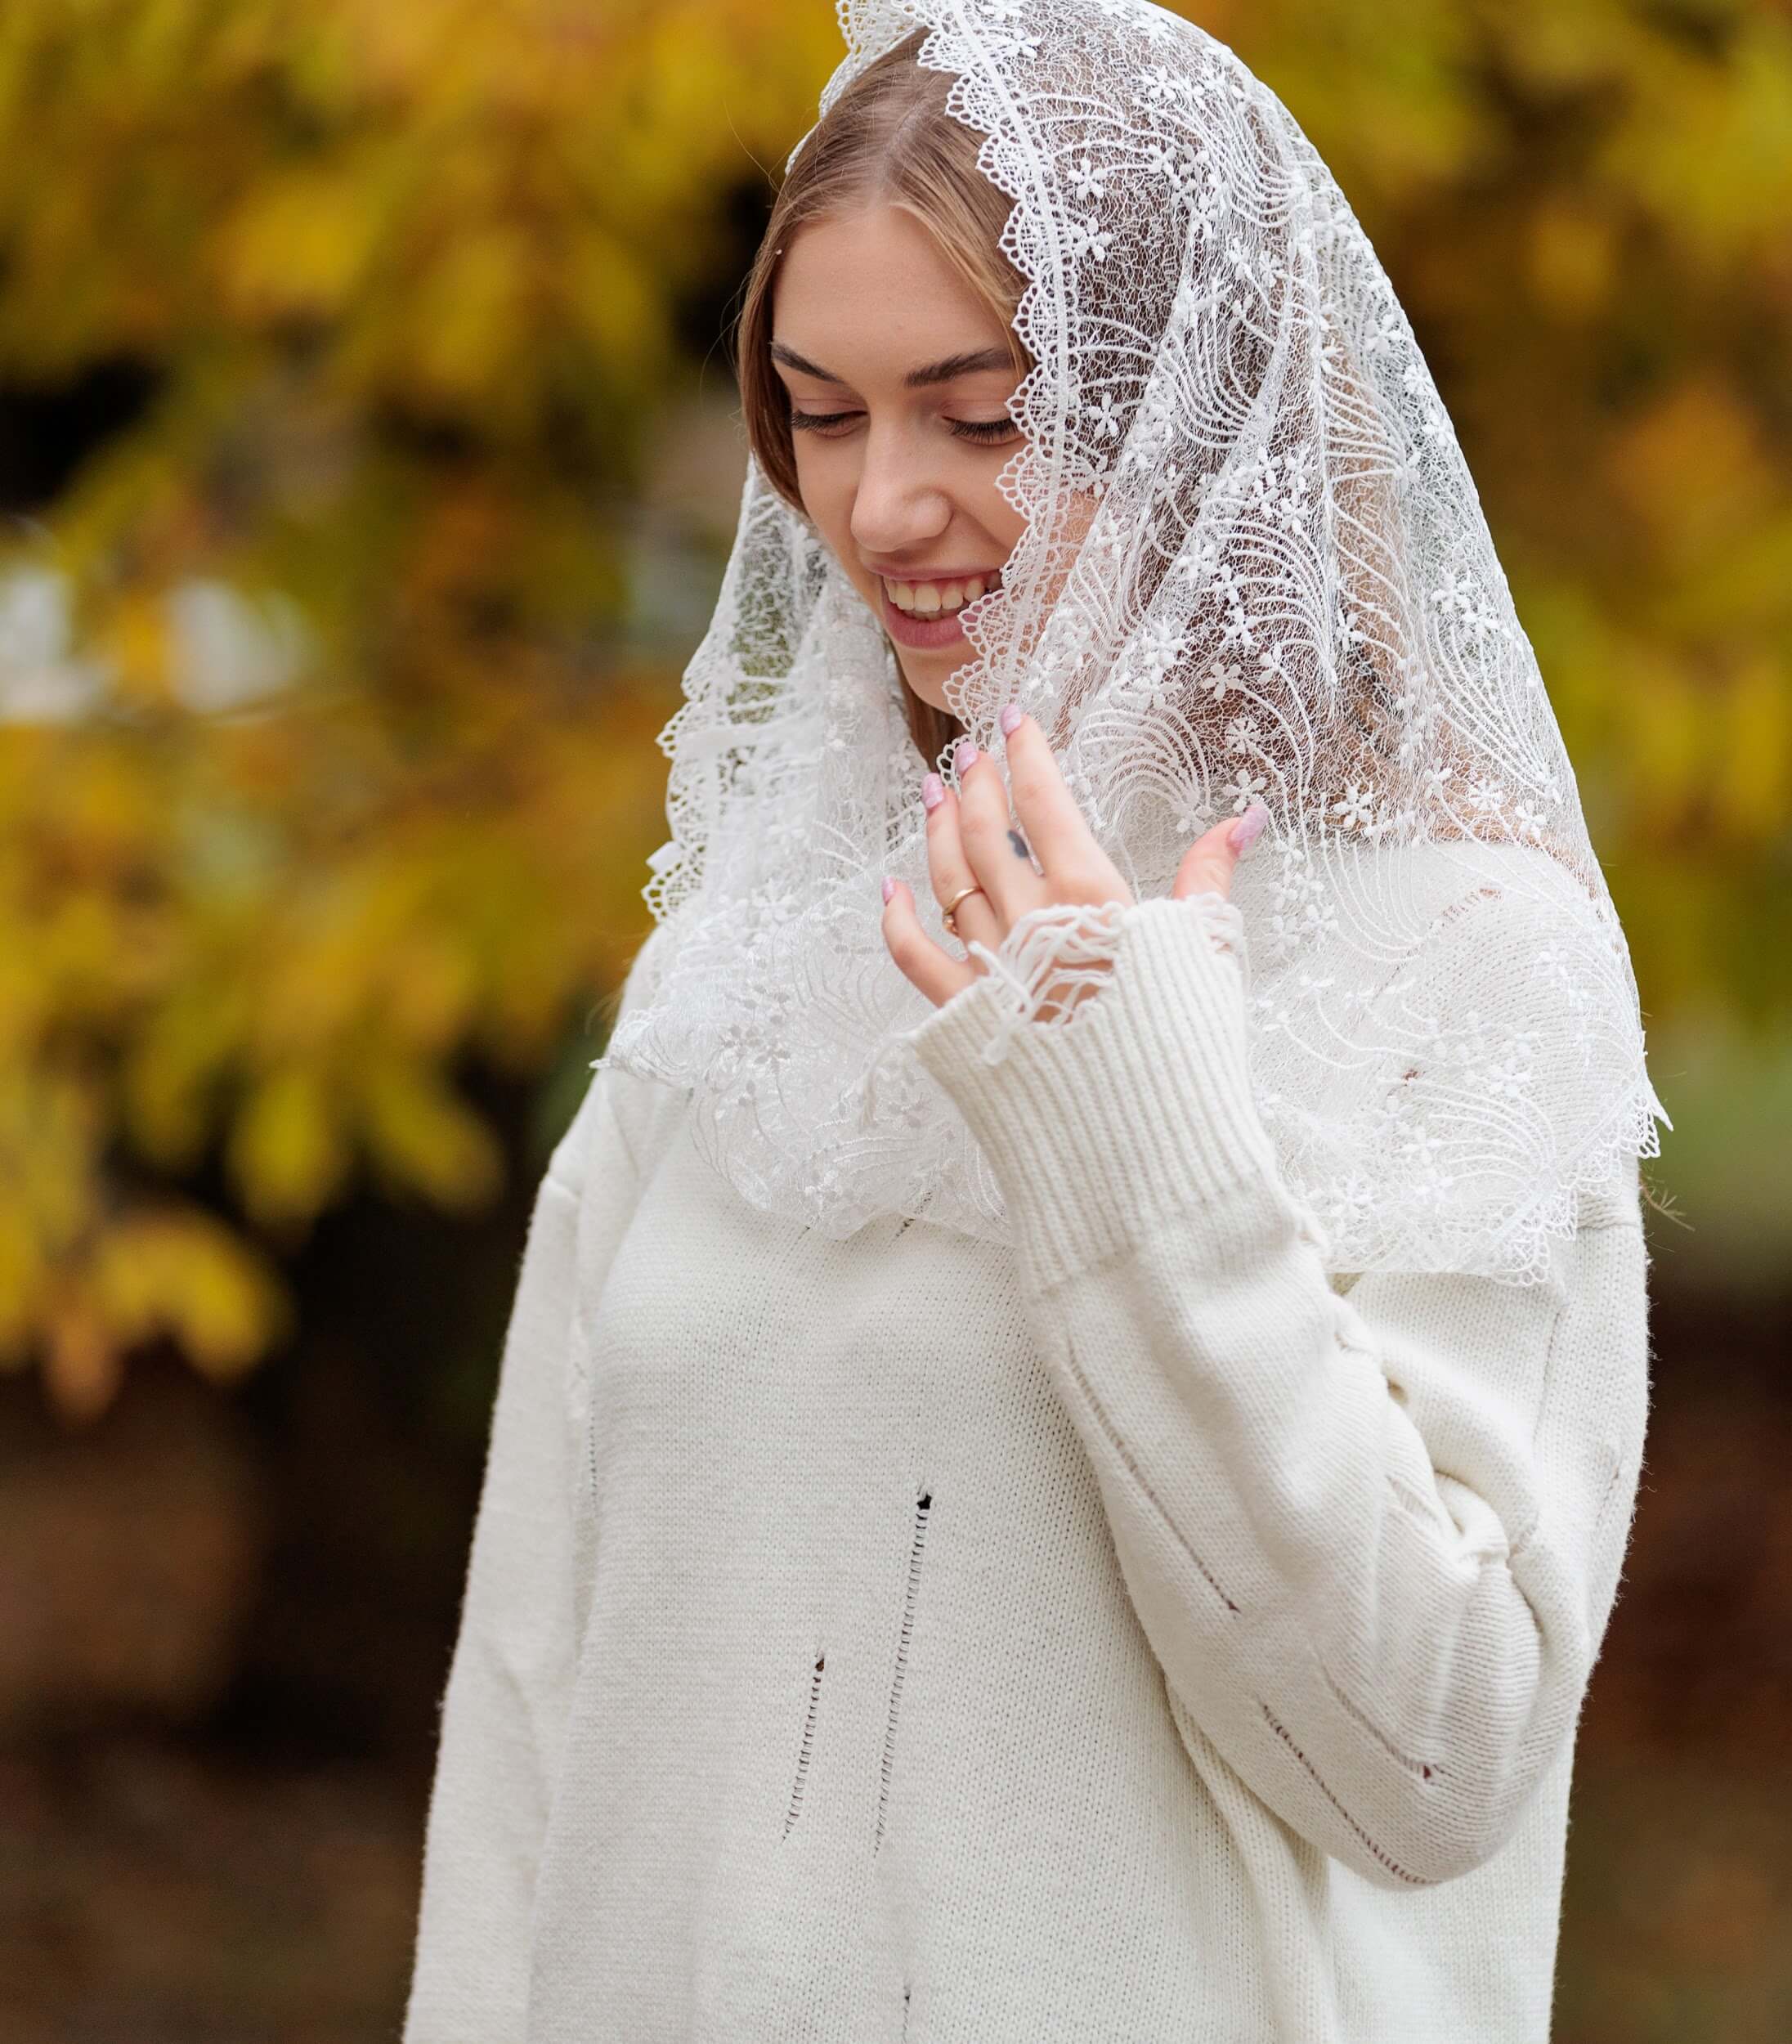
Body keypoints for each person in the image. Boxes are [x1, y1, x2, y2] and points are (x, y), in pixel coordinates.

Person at [401, 2, 1666, 2039]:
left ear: (1203, 405)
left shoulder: (1457, 952)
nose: (881, 502)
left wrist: (1121, 1096)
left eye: (977, 416)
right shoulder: (734, 964)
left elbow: (1425, 1755)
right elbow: (532, 1710)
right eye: (819, 413)